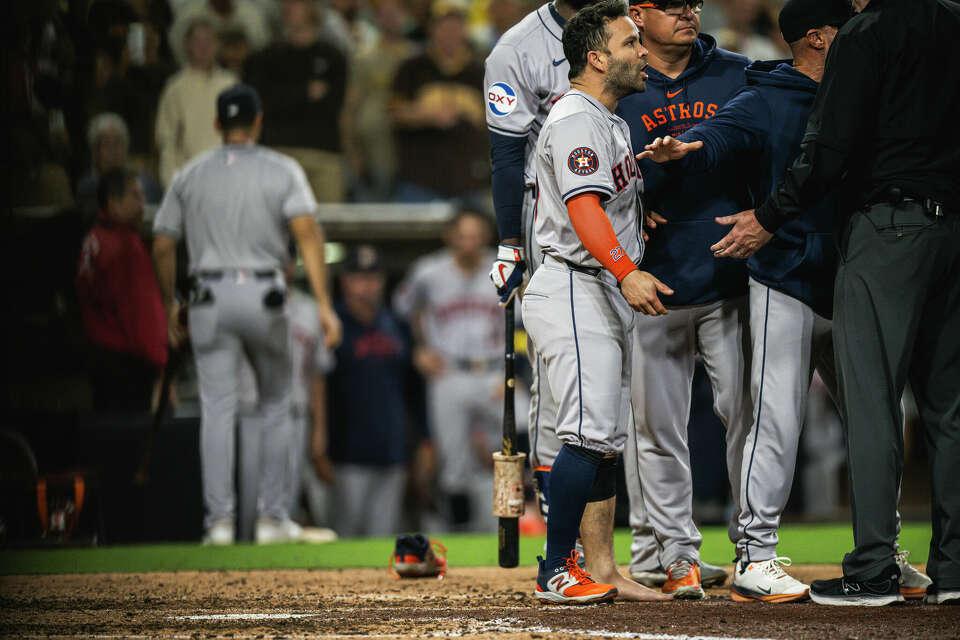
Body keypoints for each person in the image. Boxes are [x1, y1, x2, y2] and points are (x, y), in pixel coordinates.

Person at [638, 0, 934, 605]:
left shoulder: (864, 92)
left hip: (852, 275)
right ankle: (755, 555)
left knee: (875, 419)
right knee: (775, 419)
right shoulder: (768, 96)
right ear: (819, 39)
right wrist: (680, 149)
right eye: (847, 30)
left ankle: (881, 551)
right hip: (785, 277)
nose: (861, 38)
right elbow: (717, 135)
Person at [709, 0, 960, 607]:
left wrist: (771, 216)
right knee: (949, 409)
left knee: (872, 399)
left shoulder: (866, 32)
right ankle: (953, 570)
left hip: (889, 228)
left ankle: (874, 569)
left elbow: (830, 145)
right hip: (954, 230)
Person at [484, 0, 666, 602]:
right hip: (573, 284)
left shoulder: (607, 119)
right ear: (596, 57)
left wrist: (642, 186)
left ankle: (602, 569)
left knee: (601, 439)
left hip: (594, 288)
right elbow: (583, 209)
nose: (642, 52)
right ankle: (555, 569)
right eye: (629, 43)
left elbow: (599, 199)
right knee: (585, 437)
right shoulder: (573, 119)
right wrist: (626, 269)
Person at [151, 83, 342, 545]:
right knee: (277, 403)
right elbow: (309, 234)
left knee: (218, 407)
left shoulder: (189, 173)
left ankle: (218, 523)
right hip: (263, 295)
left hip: (208, 297)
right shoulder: (282, 168)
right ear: (258, 122)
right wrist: (322, 303)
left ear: (218, 124)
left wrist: (170, 303)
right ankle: (272, 520)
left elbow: (161, 243)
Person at [614, 0, 749, 598]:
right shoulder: (619, 83)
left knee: (749, 419)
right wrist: (634, 200)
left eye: (691, 2)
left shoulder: (738, 72)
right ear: (638, 15)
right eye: (670, 5)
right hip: (654, 283)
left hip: (733, 276)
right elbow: (587, 174)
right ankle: (676, 555)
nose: (687, 12)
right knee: (656, 430)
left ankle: (756, 550)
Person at [394, 211, 518, 532]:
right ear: (449, 236)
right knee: (453, 461)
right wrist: (418, 348)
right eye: (462, 235)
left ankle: (515, 521)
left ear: (486, 236)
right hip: (448, 372)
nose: (468, 242)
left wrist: (517, 371)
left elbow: (528, 321)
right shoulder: (428, 272)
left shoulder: (503, 269)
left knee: (518, 444)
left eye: (475, 235)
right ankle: (461, 532)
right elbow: (403, 312)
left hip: (493, 372)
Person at [236, 259, 337, 543]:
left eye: (286, 261)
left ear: (293, 266)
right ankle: (237, 566)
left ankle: (278, 572)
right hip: (250, 410)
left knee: (284, 500)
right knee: (248, 498)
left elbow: (318, 374)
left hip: (295, 412)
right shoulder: (243, 305)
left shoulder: (310, 309)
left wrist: (319, 430)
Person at [328, 246, 414, 537]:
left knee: (383, 538)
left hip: (391, 449)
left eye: (372, 276)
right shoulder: (332, 325)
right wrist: (319, 450)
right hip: (344, 452)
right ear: (345, 281)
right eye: (358, 276)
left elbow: (412, 390)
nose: (366, 283)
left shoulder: (396, 324)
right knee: (344, 536)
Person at [76, 168, 167, 413]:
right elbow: (141, 314)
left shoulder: (93, 239)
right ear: (114, 203)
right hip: (126, 369)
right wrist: (162, 366)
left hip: (99, 360)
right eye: (136, 196)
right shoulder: (125, 247)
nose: (143, 203)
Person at [244, 0, 349, 203]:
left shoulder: (333, 57)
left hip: (323, 154)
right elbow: (262, 103)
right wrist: (304, 93)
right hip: (278, 152)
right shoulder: (266, 57)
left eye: (295, 2)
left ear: (311, 7)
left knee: (330, 226)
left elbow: (335, 105)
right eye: (284, 3)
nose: (287, 7)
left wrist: (285, 96)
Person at [389, 0, 489, 206]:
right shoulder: (411, 68)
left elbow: (503, 119)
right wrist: (427, 116)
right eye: (443, 26)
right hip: (419, 178)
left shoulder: (483, 72)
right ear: (432, 29)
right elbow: (393, 112)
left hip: (469, 180)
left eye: (455, 26)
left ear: (465, 30)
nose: (449, 32)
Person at [155, 18, 237, 186]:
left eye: (208, 40)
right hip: (190, 181)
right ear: (187, 45)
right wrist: (171, 184)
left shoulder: (231, 85)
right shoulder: (175, 88)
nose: (203, 46)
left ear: (217, 46)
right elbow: (167, 142)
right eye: (197, 40)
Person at [76, 113, 164, 219]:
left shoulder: (147, 184)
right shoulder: (88, 186)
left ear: (126, 146)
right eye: (106, 143)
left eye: (118, 142)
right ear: (95, 150)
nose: (113, 150)